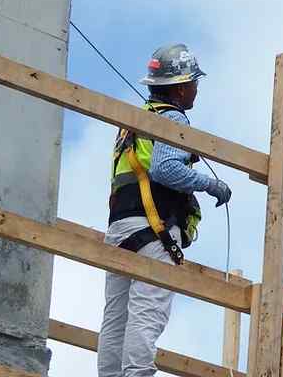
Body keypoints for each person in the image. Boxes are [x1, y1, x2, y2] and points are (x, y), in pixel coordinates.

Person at [98, 44, 233, 377]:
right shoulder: (172, 118)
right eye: (194, 85)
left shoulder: (135, 122)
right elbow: (165, 170)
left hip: (120, 228)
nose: (196, 92)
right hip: (153, 228)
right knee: (146, 314)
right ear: (182, 86)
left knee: (116, 318)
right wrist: (211, 184)